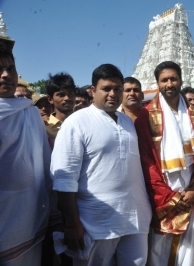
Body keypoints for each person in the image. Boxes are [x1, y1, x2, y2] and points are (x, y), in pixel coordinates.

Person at [51, 64, 152, 266]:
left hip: (135, 219)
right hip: (95, 223)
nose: (112, 94)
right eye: (106, 89)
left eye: (117, 89)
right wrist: (72, 223)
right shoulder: (77, 122)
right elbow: (64, 180)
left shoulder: (127, 122)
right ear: (93, 90)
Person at [135, 61, 194, 266]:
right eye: (164, 80)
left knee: (191, 252)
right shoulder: (146, 115)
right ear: (157, 83)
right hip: (164, 196)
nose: (169, 83)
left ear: (181, 80)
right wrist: (170, 197)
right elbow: (145, 160)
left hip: (192, 193)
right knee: (161, 252)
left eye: (173, 78)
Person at [0, 38, 51, 266]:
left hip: (28, 211)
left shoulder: (29, 112)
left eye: (10, 68)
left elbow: (44, 160)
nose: (5, 75)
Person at [45, 72, 76, 147]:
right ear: (50, 99)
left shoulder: (82, 123)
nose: (67, 98)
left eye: (70, 94)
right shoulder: (45, 128)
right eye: (61, 95)